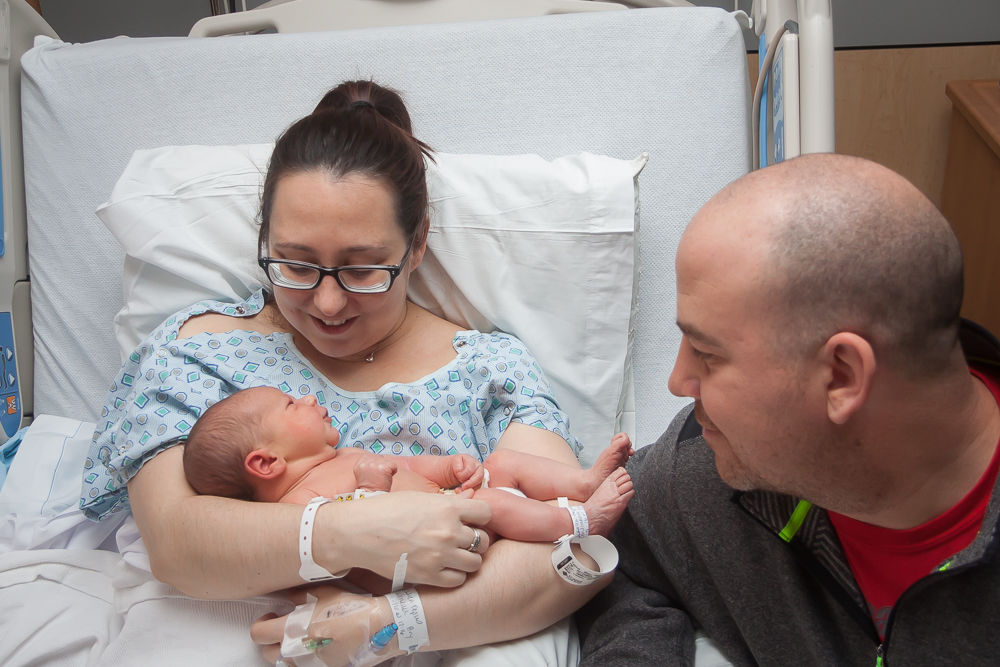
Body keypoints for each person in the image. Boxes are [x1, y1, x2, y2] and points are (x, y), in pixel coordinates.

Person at [82, 80, 613, 664]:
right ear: (263, 240)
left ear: (416, 246)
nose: (327, 304)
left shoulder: (491, 371)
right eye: (296, 264)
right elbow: (178, 541)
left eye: (362, 270)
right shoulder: (196, 352)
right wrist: (356, 533)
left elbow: (569, 555)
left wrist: (386, 624)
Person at [577, 154, 1000, 666]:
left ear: (841, 376)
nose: (678, 382)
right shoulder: (709, 472)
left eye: (708, 355)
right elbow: (616, 549)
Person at [182, 385, 635, 545]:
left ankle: (582, 479)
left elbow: (410, 464)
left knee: (502, 460)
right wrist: (368, 493)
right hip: (450, 533)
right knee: (493, 501)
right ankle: (577, 523)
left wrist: (451, 470)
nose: (307, 398)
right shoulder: (296, 505)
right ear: (266, 462)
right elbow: (351, 539)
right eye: (289, 404)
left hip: (450, 497)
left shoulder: (346, 454)